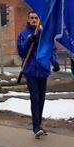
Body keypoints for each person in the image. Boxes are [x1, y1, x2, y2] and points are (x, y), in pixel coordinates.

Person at [17, 10, 58, 138]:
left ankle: (39, 124)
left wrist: (55, 62)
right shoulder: (23, 34)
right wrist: (30, 41)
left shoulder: (45, 34)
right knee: (35, 98)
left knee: (41, 98)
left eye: (36, 18)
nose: (34, 20)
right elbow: (22, 52)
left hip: (43, 69)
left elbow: (51, 49)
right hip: (31, 70)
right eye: (32, 18)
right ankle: (36, 126)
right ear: (28, 19)